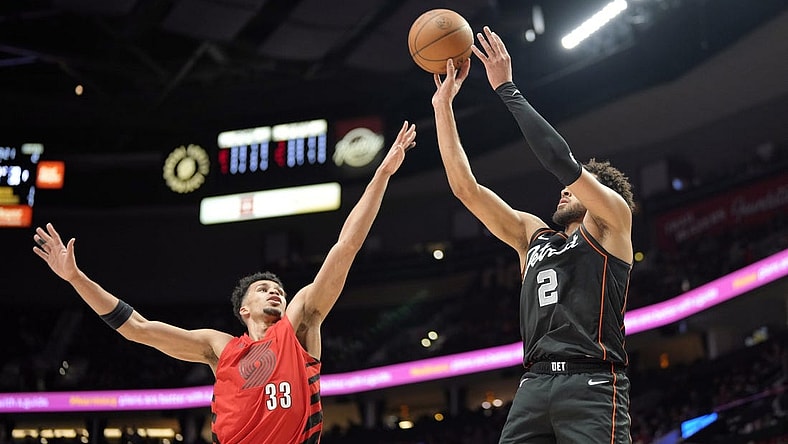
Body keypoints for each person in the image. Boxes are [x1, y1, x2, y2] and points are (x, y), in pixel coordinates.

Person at [32, 121, 417, 444]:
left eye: (277, 288)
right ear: (243, 309)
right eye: (263, 288)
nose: (275, 290)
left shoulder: (300, 322)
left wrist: (382, 174)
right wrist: (76, 278)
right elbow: (138, 329)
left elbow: (345, 247)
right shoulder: (219, 347)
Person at [431, 27, 635, 443]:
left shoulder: (613, 221)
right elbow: (465, 189)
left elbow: (559, 160)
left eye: (577, 186)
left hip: (592, 382)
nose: (563, 190)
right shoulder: (532, 236)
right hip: (534, 385)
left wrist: (507, 88)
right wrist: (442, 108)